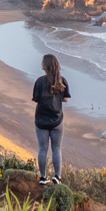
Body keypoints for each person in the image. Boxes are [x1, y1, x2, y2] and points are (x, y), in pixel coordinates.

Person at [32, 53, 70, 185]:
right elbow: (66, 98)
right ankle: (57, 177)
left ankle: (43, 178)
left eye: (42, 62)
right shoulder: (62, 80)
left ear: (45, 66)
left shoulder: (40, 81)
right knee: (56, 149)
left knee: (42, 149)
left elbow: (36, 99)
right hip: (57, 120)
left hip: (41, 120)